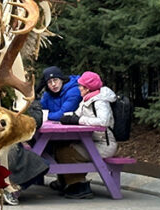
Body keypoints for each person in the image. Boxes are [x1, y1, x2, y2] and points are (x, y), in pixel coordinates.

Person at [51, 71, 119, 200]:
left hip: (103, 145)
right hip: (92, 141)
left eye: (81, 86)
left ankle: (79, 186)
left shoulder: (99, 101)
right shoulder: (87, 100)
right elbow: (77, 114)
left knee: (66, 152)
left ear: (87, 88)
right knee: (60, 148)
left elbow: (103, 121)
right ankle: (66, 182)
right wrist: (67, 117)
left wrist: (78, 120)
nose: (79, 88)